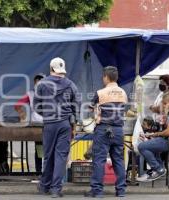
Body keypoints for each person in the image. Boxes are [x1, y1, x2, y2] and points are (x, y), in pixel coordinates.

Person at [34, 57, 81, 198]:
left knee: (48, 156)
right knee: (60, 156)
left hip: (49, 124)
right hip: (65, 124)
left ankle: (44, 187)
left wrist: (47, 114)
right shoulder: (71, 84)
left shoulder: (42, 84)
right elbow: (77, 104)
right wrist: (74, 121)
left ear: (51, 69)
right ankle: (56, 189)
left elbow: (36, 105)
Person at [84, 66, 128, 198]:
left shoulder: (100, 93)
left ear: (106, 77)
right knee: (118, 160)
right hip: (119, 130)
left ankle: (97, 191)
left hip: (103, 129)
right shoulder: (123, 93)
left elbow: (92, 107)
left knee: (99, 160)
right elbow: (123, 109)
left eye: (103, 77)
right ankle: (121, 191)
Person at [138, 91, 169, 182]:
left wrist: (155, 134)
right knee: (152, 145)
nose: (164, 105)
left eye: (165, 103)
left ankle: (158, 169)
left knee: (142, 146)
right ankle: (160, 168)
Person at [14, 74, 45, 173]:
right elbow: (17, 105)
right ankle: (39, 172)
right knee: (39, 150)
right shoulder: (30, 94)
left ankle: (48, 173)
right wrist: (21, 114)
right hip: (36, 125)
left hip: (49, 125)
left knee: (49, 150)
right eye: (36, 83)